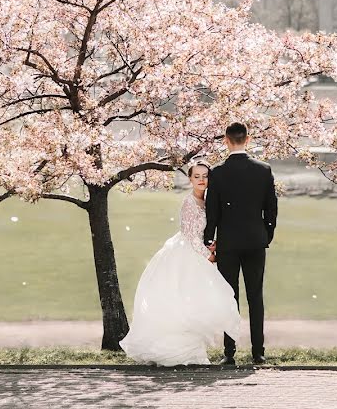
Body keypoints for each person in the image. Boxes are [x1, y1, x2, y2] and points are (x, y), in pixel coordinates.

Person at [119, 162, 241, 366]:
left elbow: (203, 232)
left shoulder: (208, 201)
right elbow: (190, 235)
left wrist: (212, 245)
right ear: (190, 179)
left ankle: (193, 350)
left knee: (195, 302)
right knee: (184, 301)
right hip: (187, 255)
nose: (202, 180)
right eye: (197, 176)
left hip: (198, 253)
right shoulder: (189, 203)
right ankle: (178, 351)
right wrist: (209, 256)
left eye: (205, 176)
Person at [204, 122, 278, 365]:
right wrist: (267, 233)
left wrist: (210, 237)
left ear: (226, 140)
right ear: (248, 139)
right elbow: (271, 208)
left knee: (230, 296)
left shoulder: (217, 172)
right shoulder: (264, 170)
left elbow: (212, 211)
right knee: (255, 296)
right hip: (256, 240)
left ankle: (230, 352)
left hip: (229, 242)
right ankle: (258, 352)